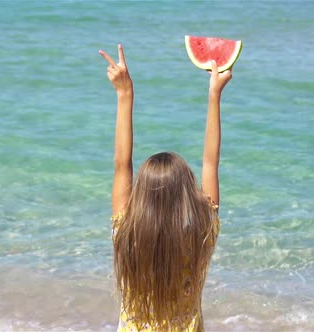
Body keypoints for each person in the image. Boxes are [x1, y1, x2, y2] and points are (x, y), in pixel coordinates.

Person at [99, 44, 232, 331]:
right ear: (186, 196)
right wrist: (214, 95)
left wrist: (124, 95)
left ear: (140, 196)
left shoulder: (126, 237)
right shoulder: (200, 239)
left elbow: (122, 164)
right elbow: (211, 164)